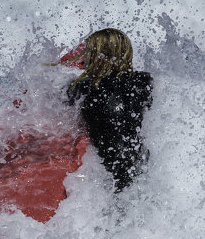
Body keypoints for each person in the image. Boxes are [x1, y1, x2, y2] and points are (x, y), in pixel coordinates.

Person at [62, 28, 154, 191]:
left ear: (97, 55)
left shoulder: (83, 88)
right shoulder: (144, 83)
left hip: (105, 173)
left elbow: (48, 107)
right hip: (141, 166)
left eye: (89, 50)